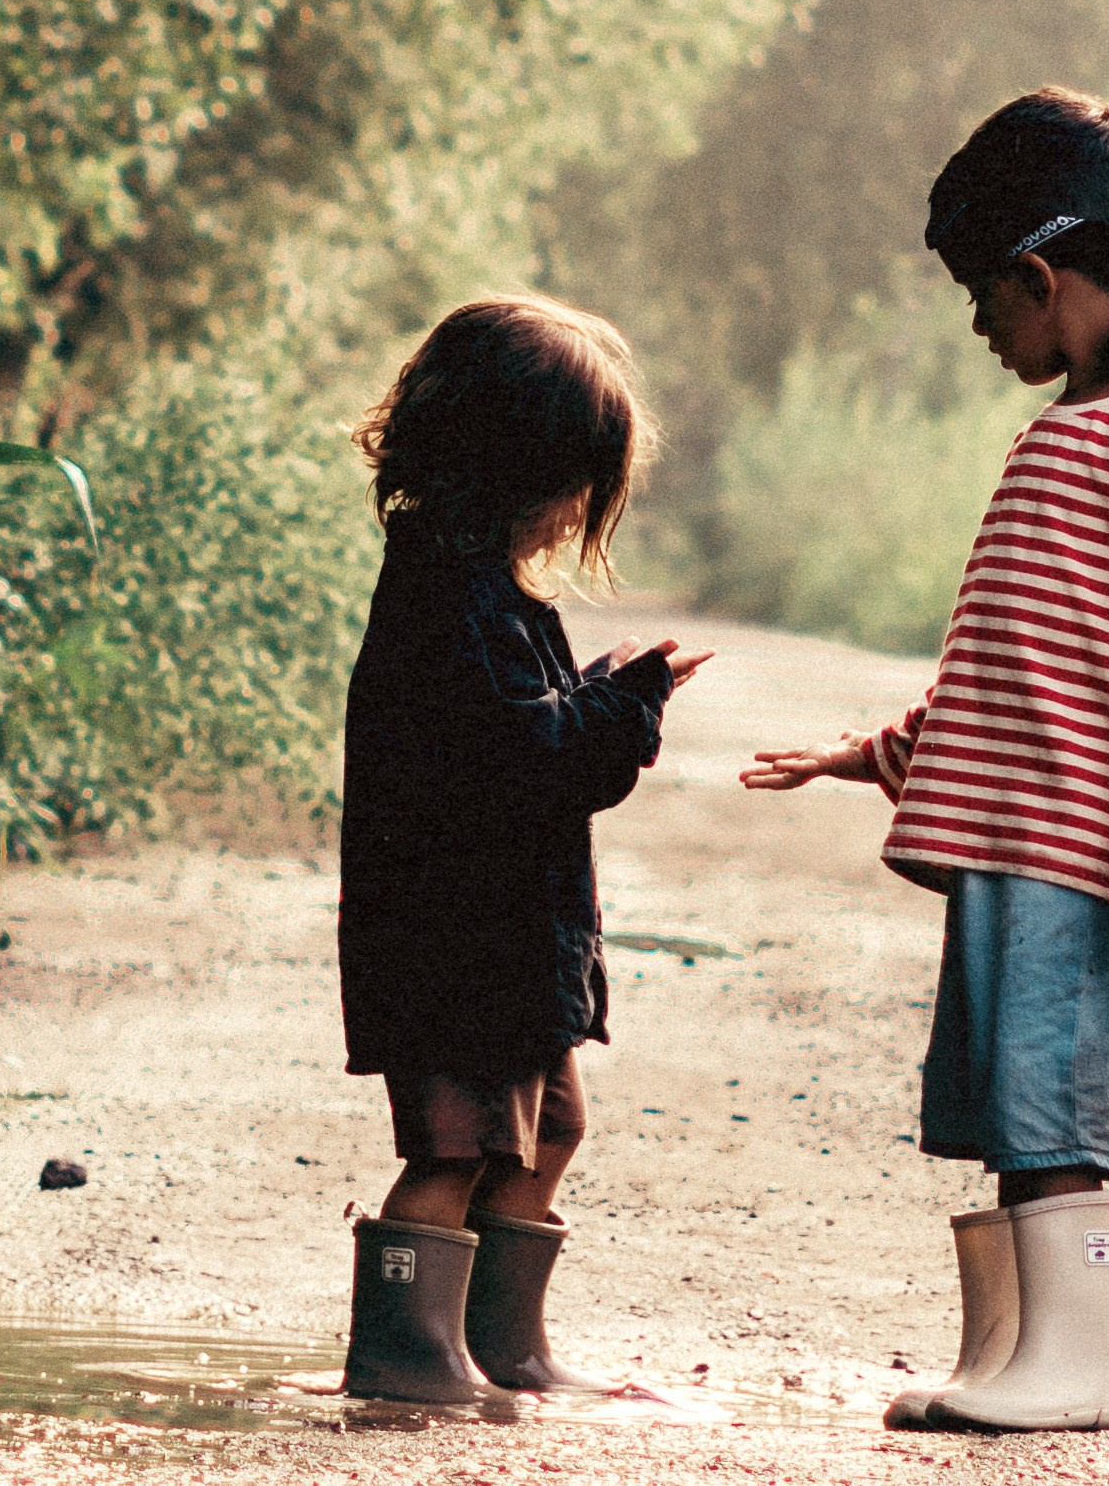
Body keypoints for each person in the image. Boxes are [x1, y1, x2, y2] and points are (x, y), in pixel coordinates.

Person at [742, 89, 1109, 1435]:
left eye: (987, 300)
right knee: (1015, 1100)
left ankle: (1092, 1359)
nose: (982, 327)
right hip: (1008, 848)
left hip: (1079, 858)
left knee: (1069, 1106)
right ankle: (1022, 1346)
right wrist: (871, 755)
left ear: (1043, 279)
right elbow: (1009, 677)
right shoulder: (1063, 436)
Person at [337, 294, 712, 1404]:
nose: (576, 510)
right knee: (454, 1148)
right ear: (509, 467)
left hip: (508, 945)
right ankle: (406, 1351)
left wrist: (597, 694)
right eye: (573, 483)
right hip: (456, 946)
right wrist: (624, 705)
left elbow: (524, 735)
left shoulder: (483, 595)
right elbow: (526, 756)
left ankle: (503, 1343)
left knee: (547, 1130)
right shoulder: (442, 600)